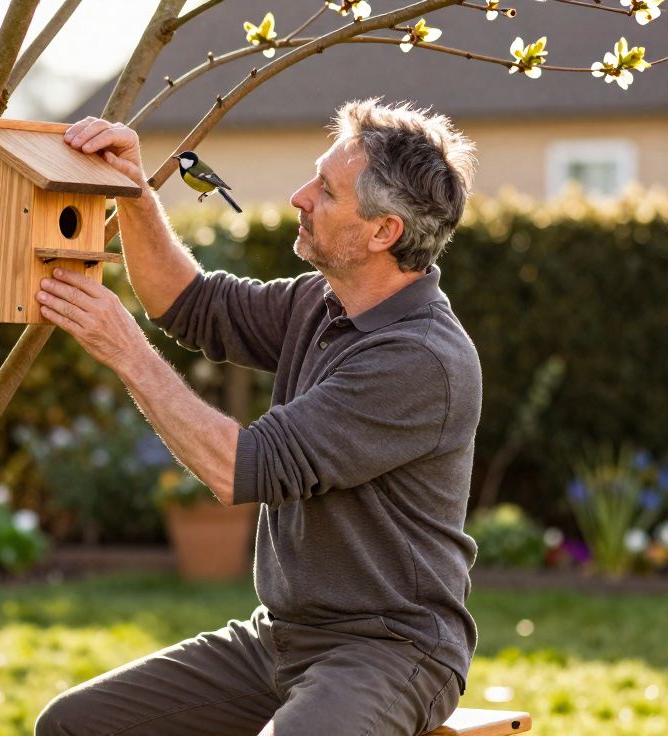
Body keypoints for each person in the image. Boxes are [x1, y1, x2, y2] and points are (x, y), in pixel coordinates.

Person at [33, 99, 482, 736]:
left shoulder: (419, 361)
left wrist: (127, 352)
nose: (300, 196)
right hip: (279, 639)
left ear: (384, 231)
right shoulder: (321, 303)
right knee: (75, 726)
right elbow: (191, 305)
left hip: (391, 649)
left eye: (326, 191)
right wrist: (134, 192)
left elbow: (241, 468)